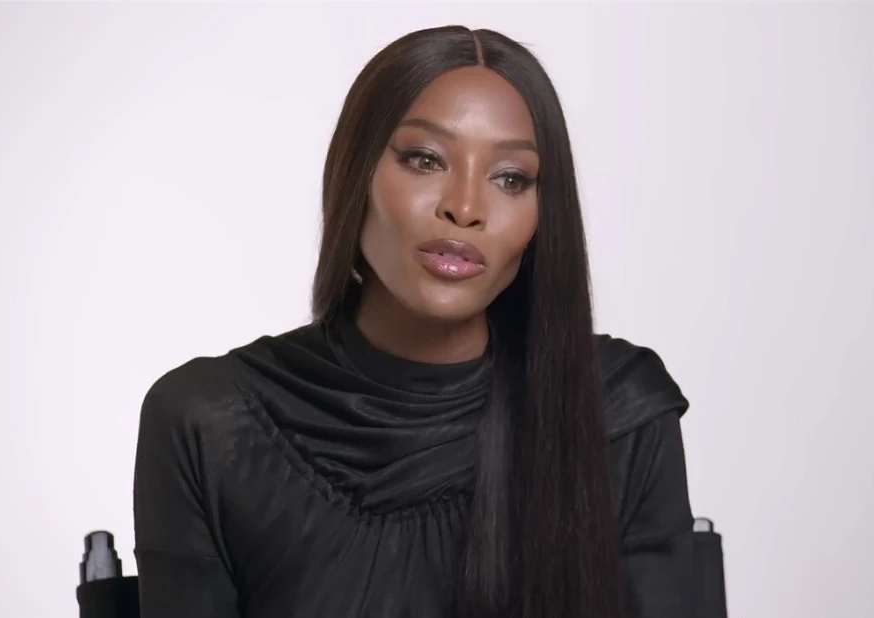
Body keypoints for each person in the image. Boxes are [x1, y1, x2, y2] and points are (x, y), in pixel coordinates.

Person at [133, 25, 694, 618]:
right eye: (425, 160)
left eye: (510, 178)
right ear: (355, 173)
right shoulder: (208, 421)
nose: (465, 208)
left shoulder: (616, 410)